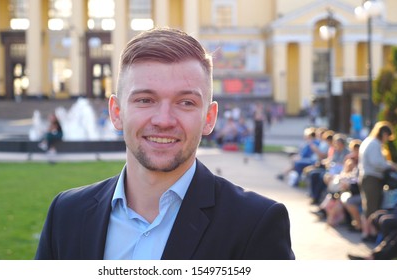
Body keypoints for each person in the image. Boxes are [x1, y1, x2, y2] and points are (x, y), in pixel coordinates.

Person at [35, 27, 294, 260]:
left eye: (186, 102)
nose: (164, 120)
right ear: (116, 112)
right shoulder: (66, 214)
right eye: (145, 100)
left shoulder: (255, 223)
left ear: (209, 118)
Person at [358, 121, 397, 243]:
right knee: (372, 207)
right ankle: (369, 232)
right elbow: (376, 162)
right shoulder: (374, 144)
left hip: (367, 177)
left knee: (368, 207)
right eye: (387, 136)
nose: (387, 139)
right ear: (384, 133)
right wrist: (390, 165)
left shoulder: (368, 141)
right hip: (372, 178)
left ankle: (367, 231)